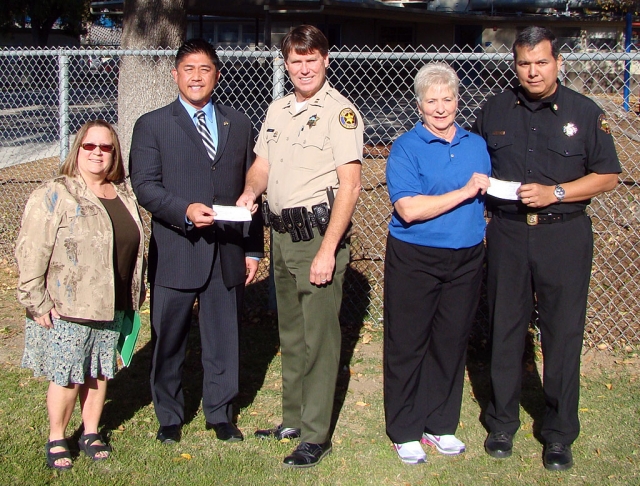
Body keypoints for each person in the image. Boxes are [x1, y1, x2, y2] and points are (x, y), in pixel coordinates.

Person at [473, 26, 620, 471]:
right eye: (524, 63)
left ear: (557, 63)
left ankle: (558, 433)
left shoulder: (585, 112)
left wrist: (556, 193)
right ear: (514, 64)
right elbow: (477, 165)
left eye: (541, 62)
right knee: (504, 329)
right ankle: (501, 422)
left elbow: (608, 176)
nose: (532, 71)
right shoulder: (494, 108)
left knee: (562, 334)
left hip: (564, 234)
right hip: (508, 234)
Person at [237, 25, 363, 468]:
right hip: (281, 236)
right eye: (295, 60)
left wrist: (329, 249)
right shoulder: (278, 109)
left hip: (317, 239)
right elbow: (262, 165)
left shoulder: (340, 113)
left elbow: (350, 186)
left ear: (325, 60)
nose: (304, 67)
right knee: (291, 334)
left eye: (311, 59)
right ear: (286, 64)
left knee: (320, 340)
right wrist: (251, 192)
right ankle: (292, 419)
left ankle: (315, 434)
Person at [129, 39, 263, 445]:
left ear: (216, 75)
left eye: (205, 69)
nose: (196, 77)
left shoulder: (238, 124)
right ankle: (169, 417)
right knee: (168, 338)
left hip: (226, 250)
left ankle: (220, 413)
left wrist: (253, 249)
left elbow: (251, 190)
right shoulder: (152, 125)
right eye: (188, 69)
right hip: (177, 249)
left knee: (223, 338)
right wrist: (183, 210)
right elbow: (145, 186)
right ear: (175, 75)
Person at [16, 120, 145, 470]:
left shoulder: (123, 194)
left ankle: (90, 432)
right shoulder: (56, 192)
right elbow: (31, 248)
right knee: (69, 375)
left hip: (113, 302)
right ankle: (57, 436)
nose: (98, 154)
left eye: (106, 148)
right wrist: (35, 299)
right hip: (69, 304)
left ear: (114, 154)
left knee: (100, 372)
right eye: (90, 146)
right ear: (78, 150)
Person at [383, 62, 490, 465]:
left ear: (457, 100)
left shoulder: (476, 145)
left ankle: (440, 424)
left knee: (450, 342)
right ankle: (405, 430)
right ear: (419, 105)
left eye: (447, 99)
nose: (441, 108)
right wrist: (464, 192)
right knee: (408, 344)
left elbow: (490, 195)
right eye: (432, 101)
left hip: (466, 258)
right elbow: (409, 208)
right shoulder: (406, 147)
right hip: (416, 258)